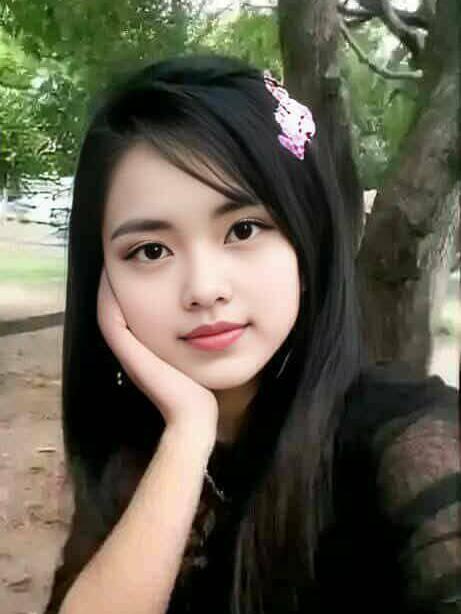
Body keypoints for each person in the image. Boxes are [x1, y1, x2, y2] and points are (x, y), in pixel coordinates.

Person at [43, 54, 460, 614]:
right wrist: (189, 432)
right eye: (151, 250)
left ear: (306, 247)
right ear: (105, 282)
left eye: (243, 229)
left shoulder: (409, 440)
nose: (204, 289)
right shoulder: (129, 453)